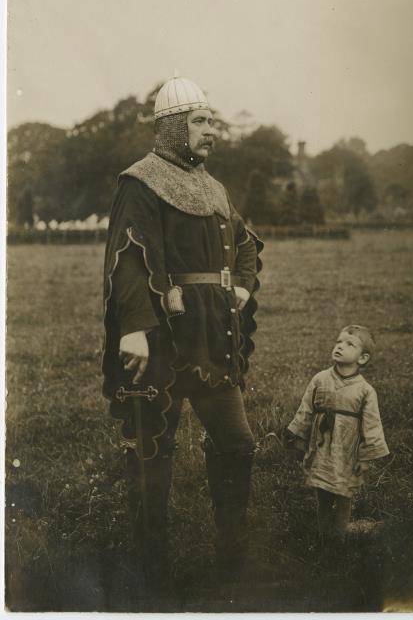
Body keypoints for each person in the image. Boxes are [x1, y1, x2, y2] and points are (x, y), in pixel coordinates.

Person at [101, 74, 263, 591]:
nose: (211, 130)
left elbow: (244, 242)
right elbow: (128, 257)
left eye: (212, 121)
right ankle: (152, 572)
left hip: (213, 339)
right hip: (161, 340)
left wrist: (241, 286)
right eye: (200, 120)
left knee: (236, 442)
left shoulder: (213, 187)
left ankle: (232, 559)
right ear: (173, 126)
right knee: (152, 451)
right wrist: (133, 328)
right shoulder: (140, 182)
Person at [284, 325, 389, 538]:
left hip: (347, 449)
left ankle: (340, 535)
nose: (340, 346)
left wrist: (365, 457)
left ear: (362, 358)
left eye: (349, 344)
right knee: (322, 488)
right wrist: (299, 436)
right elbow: (306, 409)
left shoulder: (365, 390)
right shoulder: (320, 379)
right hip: (322, 445)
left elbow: (372, 425)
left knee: (344, 492)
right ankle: (323, 533)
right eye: (339, 341)